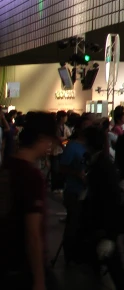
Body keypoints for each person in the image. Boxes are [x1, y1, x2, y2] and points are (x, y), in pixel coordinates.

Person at [0, 112, 57, 290]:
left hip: (7, 260)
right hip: (24, 266)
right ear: (40, 138)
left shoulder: (8, 166)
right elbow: (33, 232)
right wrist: (39, 279)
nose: (50, 146)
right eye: (49, 140)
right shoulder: (31, 176)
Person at [76, 126, 124, 288]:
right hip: (97, 224)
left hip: (103, 225)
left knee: (115, 267)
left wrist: (110, 235)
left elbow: (112, 199)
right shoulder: (98, 161)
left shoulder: (103, 165)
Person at [60, 118, 90, 263]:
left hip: (87, 191)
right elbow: (63, 167)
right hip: (74, 190)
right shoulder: (72, 147)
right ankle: (70, 255)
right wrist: (77, 174)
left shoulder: (91, 145)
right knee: (73, 223)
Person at [50, 110, 71, 192]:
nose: (66, 118)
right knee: (55, 170)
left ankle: (60, 186)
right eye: (65, 117)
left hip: (62, 151)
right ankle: (55, 187)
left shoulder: (65, 127)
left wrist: (64, 142)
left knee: (61, 169)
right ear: (62, 117)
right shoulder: (55, 127)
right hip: (55, 150)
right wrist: (64, 141)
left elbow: (69, 138)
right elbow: (57, 139)